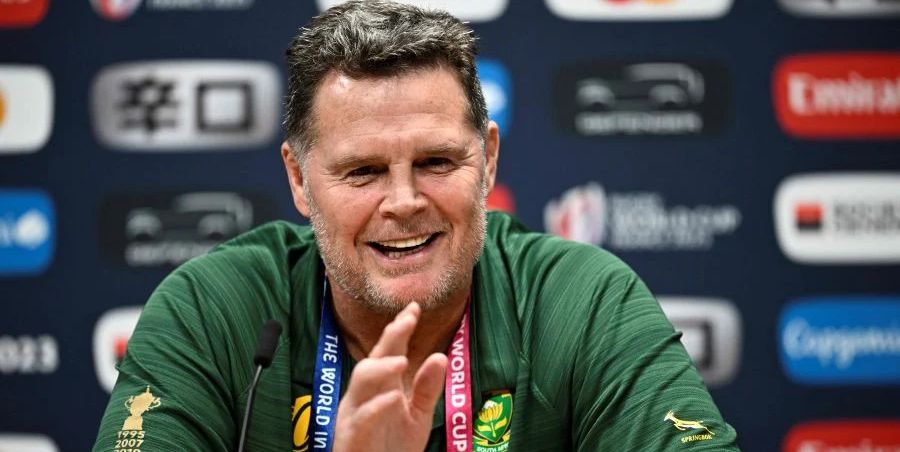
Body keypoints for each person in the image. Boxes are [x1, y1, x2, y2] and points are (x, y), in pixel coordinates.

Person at [92, 1, 740, 451]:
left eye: (436, 162)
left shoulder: (581, 301)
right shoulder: (211, 312)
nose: (403, 202)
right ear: (299, 180)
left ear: (488, 160)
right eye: (363, 171)